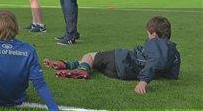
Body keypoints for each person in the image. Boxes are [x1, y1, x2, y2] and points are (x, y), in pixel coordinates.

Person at [44, 16, 181, 94]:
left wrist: (144, 81)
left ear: (155, 35)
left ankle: (82, 69)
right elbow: (172, 74)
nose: (148, 37)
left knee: (90, 55)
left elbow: (156, 60)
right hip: (122, 74)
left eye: (148, 34)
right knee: (94, 64)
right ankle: (67, 64)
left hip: (121, 60)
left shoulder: (155, 43)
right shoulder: (175, 54)